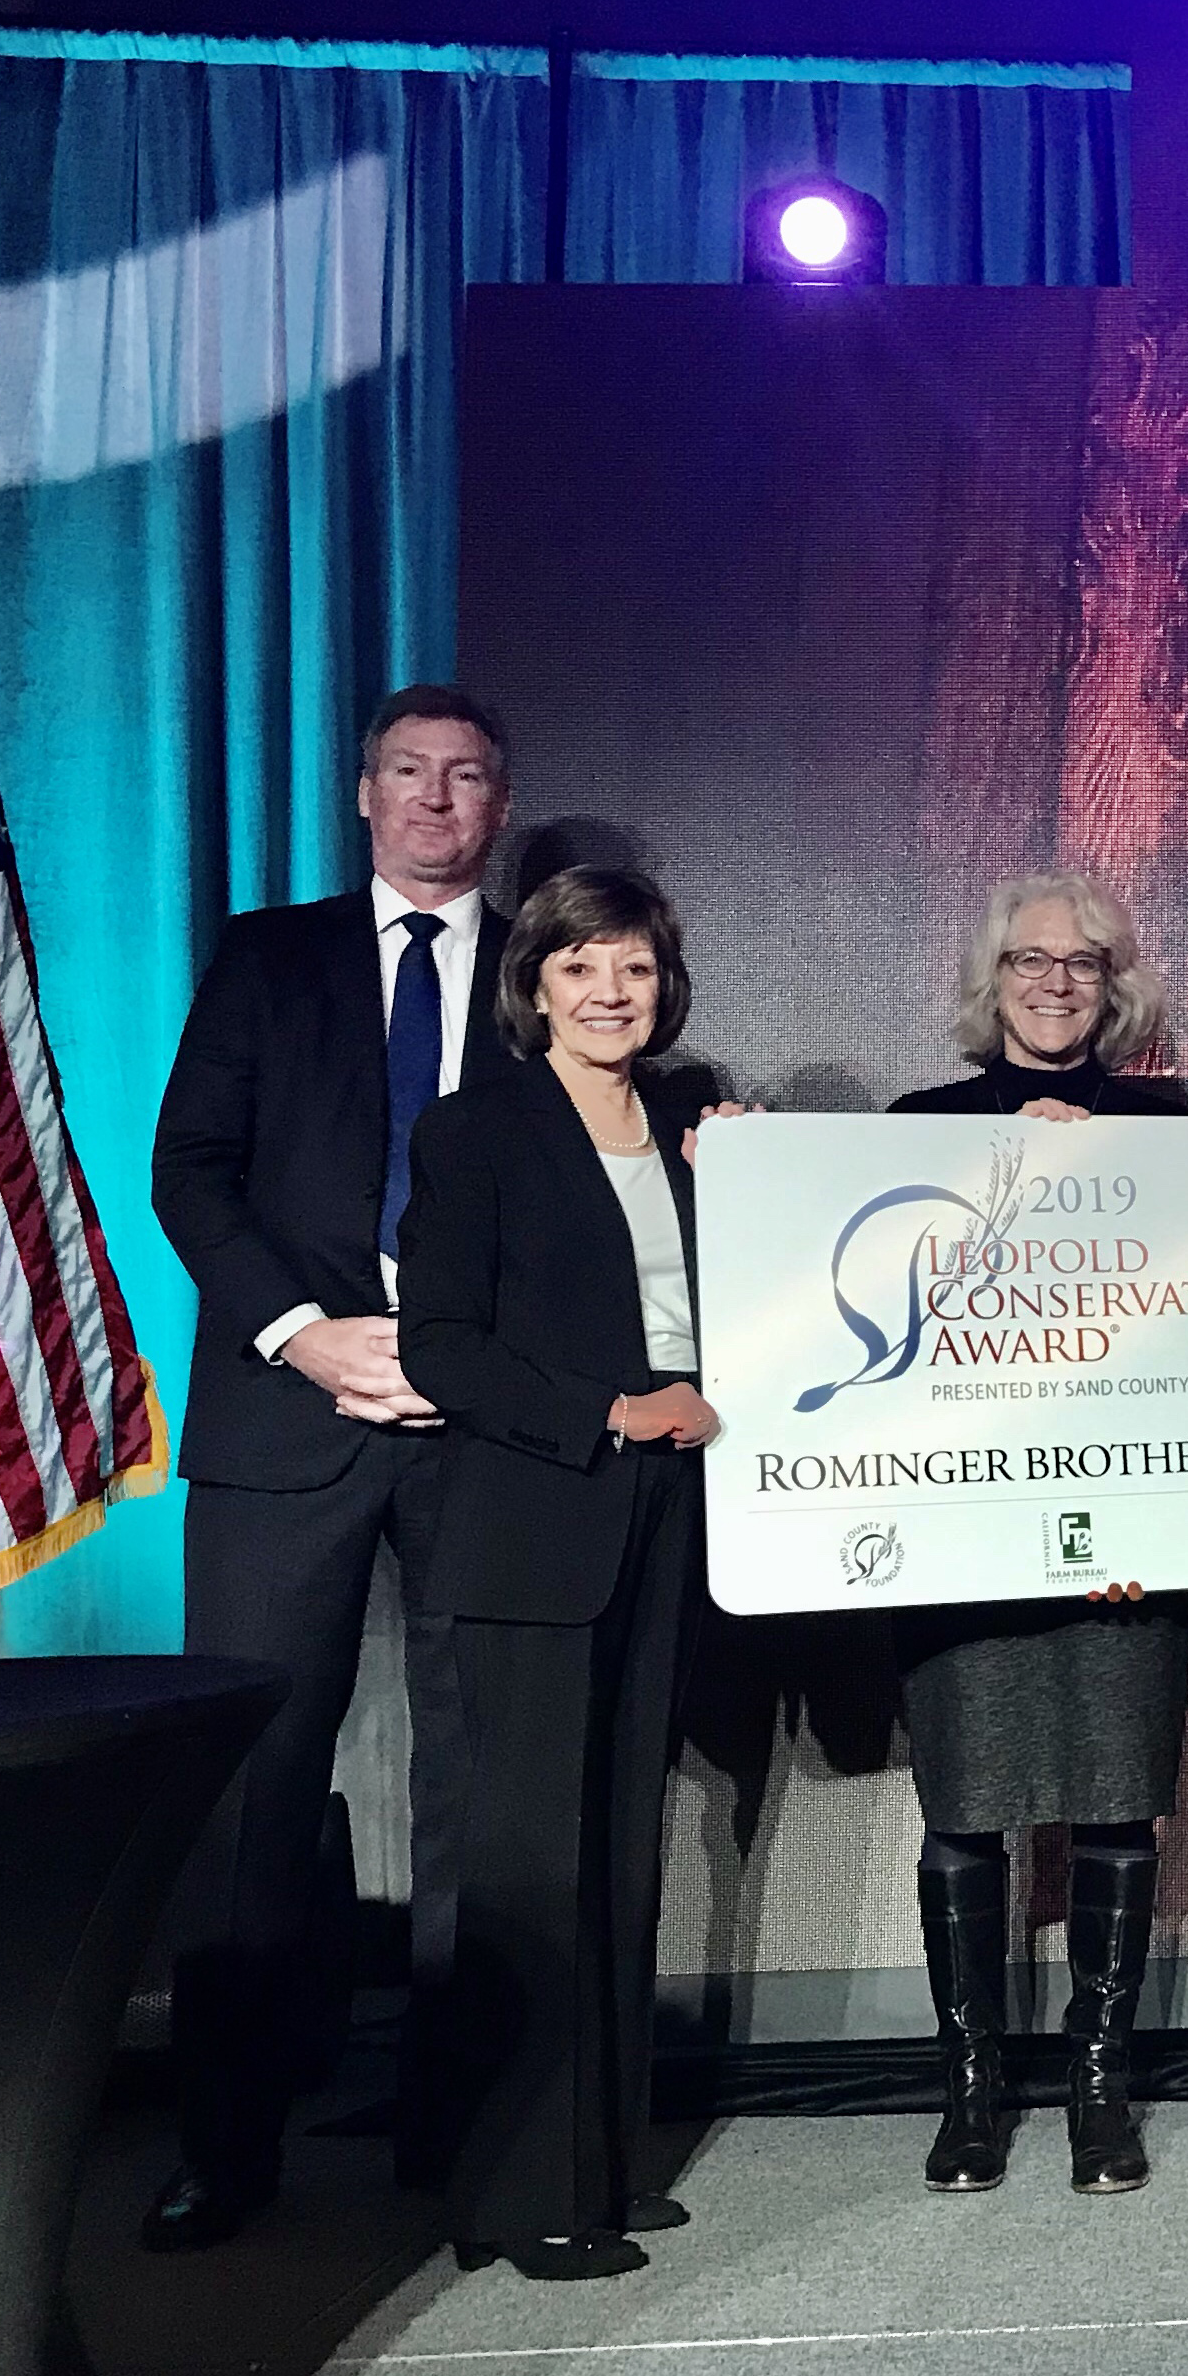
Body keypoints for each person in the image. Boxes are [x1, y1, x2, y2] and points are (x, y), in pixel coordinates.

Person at [143, 684, 519, 2252]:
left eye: (468, 777)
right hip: (284, 1418)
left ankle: (458, 2137)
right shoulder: (264, 953)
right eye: (410, 774)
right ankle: (225, 2149)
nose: (438, 801)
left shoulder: (542, 973)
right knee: (253, 1791)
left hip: (483, 1431)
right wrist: (307, 1333)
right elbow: (189, 1171)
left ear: (500, 802)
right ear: (362, 792)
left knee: (476, 1793)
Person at [395, 866, 717, 2279]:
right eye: (579, 966)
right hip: (535, 1515)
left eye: (633, 967)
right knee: (529, 1861)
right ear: (532, 986)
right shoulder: (474, 1133)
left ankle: (600, 2162)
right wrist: (606, 1410)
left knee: (621, 1845)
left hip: (666, 1515)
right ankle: (514, 2193)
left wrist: (746, 1189)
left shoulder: (699, 1126)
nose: (608, 991)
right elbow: (443, 1349)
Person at [884, 872, 1188, 2196]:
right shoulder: (910, 1128)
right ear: (989, 976)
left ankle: (1097, 2086)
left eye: (1084, 960)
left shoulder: (1171, 1132)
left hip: (1128, 1524)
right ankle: (971, 2093)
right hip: (964, 1532)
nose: (1056, 979)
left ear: (1114, 983)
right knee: (966, 1809)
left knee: (1116, 1798)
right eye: (1030, 958)